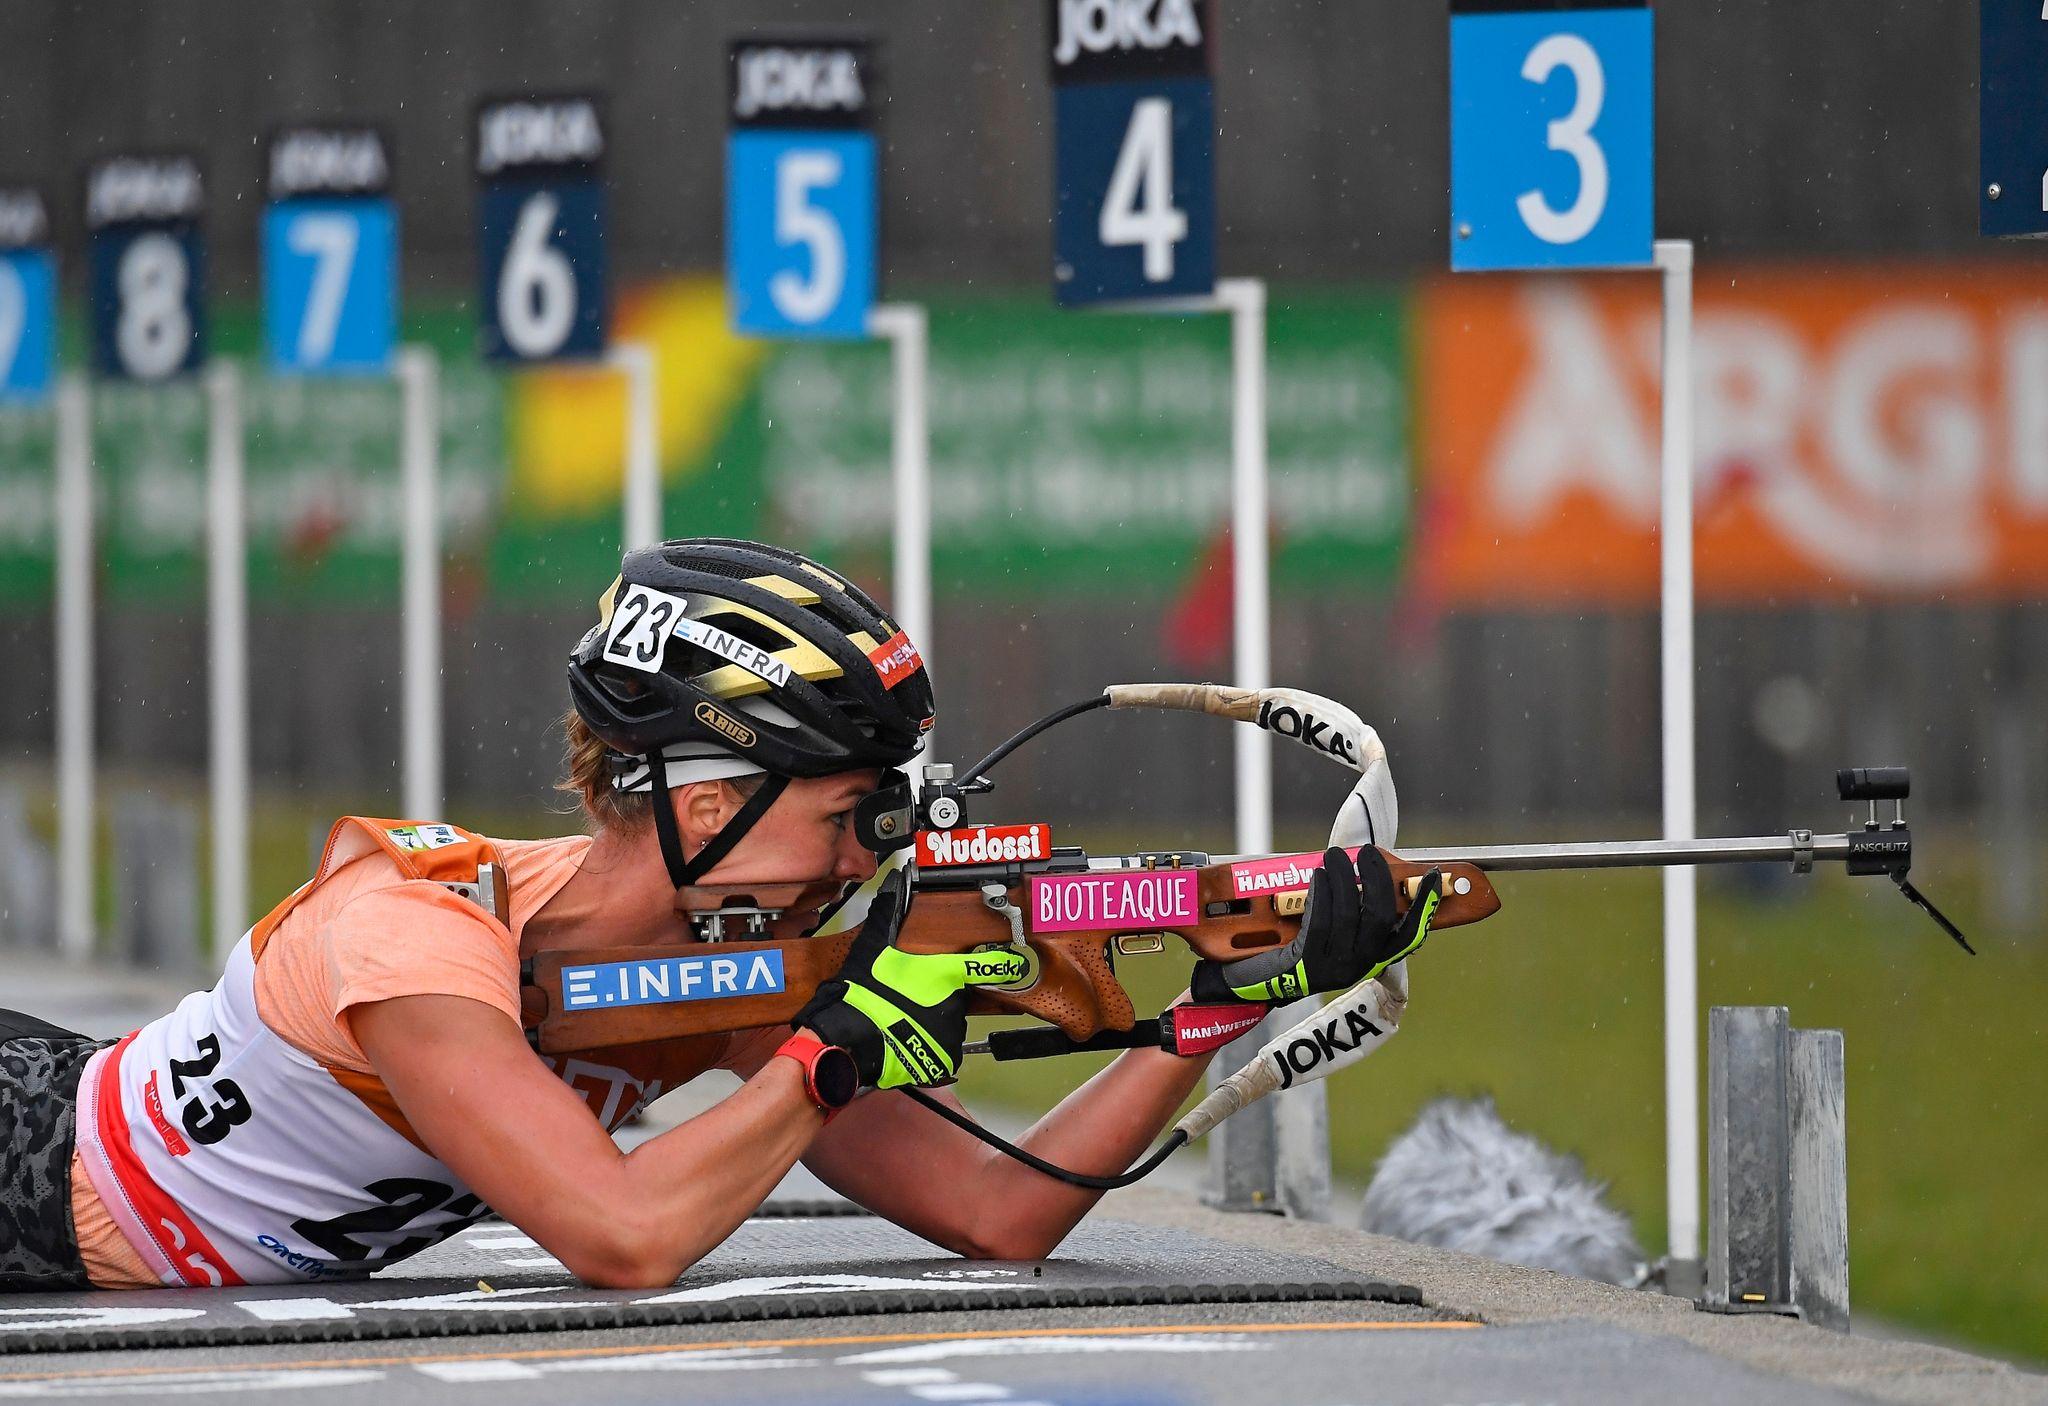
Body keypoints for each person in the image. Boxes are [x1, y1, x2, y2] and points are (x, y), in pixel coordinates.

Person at [0, 538, 1433, 1292]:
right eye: (841, 813)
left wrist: (1219, 1000)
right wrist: (841, 1045)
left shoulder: (724, 978)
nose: (860, 860)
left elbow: (1001, 1213)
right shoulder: (414, 939)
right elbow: (623, 1238)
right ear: (704, 798)